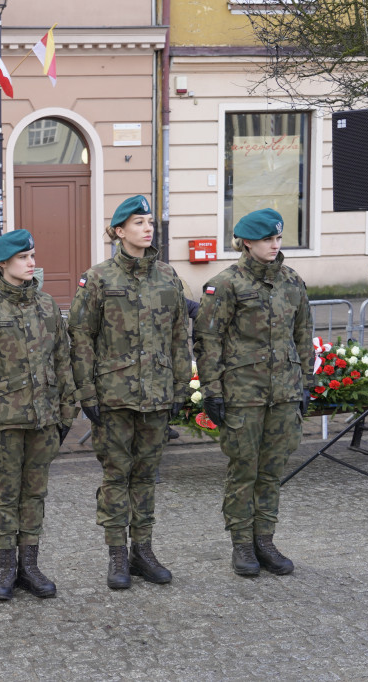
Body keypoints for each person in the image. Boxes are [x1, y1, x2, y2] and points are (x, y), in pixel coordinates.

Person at [67, 195, 192, 590]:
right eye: (138, 222)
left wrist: (180, 388)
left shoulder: (168, 276)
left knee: (146, 476)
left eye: (149, 221)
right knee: (116, 476)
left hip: (156, 394)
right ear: (119, 232)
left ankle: (144, 551)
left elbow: (177, 336)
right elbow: (81, 336)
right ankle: (117, 554)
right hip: (114, 396)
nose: (147, 228)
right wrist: (87, 394)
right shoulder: (99, 278)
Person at [194, 208, 313, 577]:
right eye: (267, 240)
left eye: (278, 239)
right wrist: (212, 391)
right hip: (243, 393)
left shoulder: (292, 281)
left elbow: (303, 336)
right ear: (246, 242)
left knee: (272, 470)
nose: (274, 245)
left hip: (284, 392)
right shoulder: (226, 284)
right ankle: (242, 543)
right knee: (244, 469)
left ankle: (265, 539)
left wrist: (305, 383)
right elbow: (207, 340)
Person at [0, 229, 77, 601]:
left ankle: (30, 565)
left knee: (35, 494)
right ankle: (7, 567)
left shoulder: (47, 305)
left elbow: (62, 360)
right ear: (3, 265)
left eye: (32, 256)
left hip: (43, 419)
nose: (32, 263)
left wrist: (66, 412)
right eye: (24, 257)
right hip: (5, 421)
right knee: (6, 496)